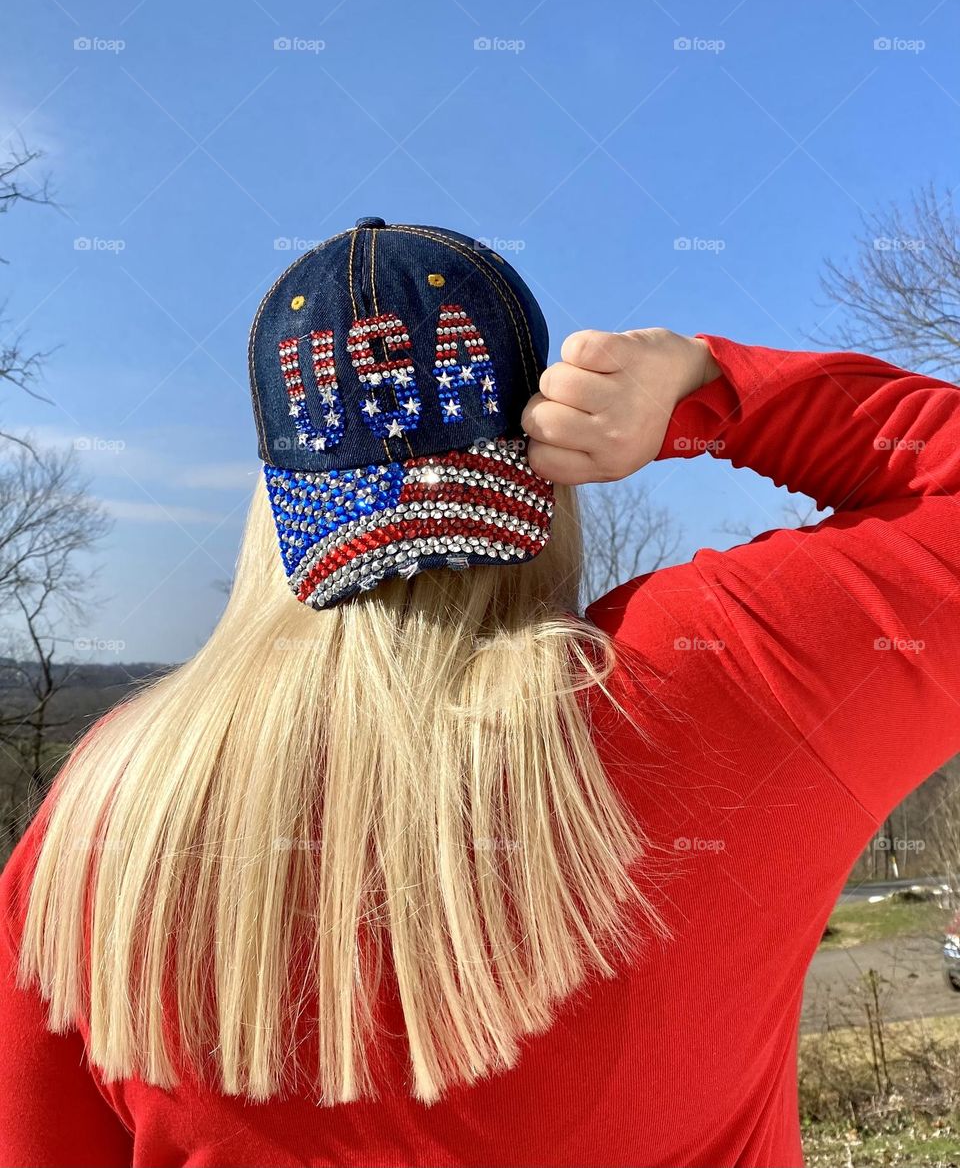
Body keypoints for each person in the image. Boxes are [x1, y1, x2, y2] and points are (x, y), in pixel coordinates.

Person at [2, 217, 960, 1168]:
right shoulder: (715, 678)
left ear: (271, 500)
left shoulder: (102, 817)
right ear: (547, 468)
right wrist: (708, 387)